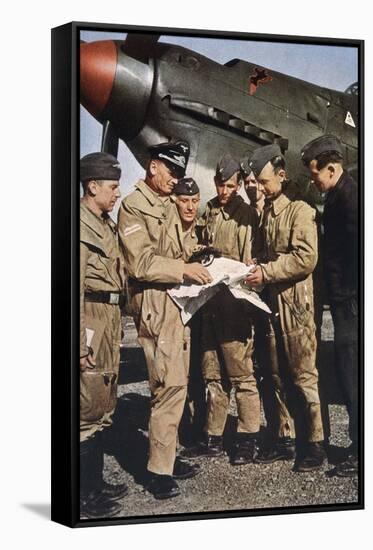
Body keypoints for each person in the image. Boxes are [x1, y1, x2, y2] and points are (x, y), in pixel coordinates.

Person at [118, 140, 212, 499]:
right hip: (156, 304)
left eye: (179, 173)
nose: (176, 179)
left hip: (176, 302)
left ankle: (167, 458)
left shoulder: (163, 204)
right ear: (153, 166)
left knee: (176, 382)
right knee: (167, 386)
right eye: (171, 171)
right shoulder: (134, 207)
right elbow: (140, 263)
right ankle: (158, 472)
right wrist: (183, 269)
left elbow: (176, 248)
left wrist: (200, 258)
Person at [245, 144, 326, 472]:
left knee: (303, 374)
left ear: (281, 174)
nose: (261, 189)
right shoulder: (268, 210)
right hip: (271, 302)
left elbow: (306, 257)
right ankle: (285, 437)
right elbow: (268, 253)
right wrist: (255, 265)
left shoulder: (300, 210)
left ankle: (315, 443)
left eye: (264, 182)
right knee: (275, 372)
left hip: (295, 304)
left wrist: (267, 270)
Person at [186, 153, 261, 465]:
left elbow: (250, 263)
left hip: (235, 309)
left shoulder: (246, 216)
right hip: (210, 306)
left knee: (242, 377)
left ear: (239, 185)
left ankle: (247, 439)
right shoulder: (210, 211)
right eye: (220, 184)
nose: (224, 190)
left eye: (230, 185)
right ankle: (212, 437)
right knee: (212, 376)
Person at [301, 135, 358, 477]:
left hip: (350, 302)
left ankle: (360, 451)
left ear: (332, 168)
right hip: (345, 300)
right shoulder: (339, 195)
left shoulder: (350, 199)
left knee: (352, 377)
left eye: (315, 174)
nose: (313, 180)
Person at [79, 152, 127, 519]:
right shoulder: (80, 227)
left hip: (110, 315)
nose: (117, 193)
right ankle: (83, 494)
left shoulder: (104, 223)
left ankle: (95, 484)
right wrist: (79, 344)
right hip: (91, 317)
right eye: (112, 187)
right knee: (86, 408)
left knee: (105, 400)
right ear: (92, 186)